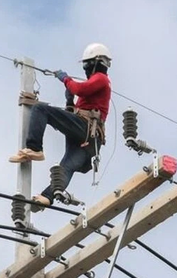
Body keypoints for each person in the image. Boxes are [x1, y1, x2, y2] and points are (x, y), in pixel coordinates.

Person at [8, 43, 112, 207]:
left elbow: (79, 89)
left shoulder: (101, 78)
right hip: (89, 139)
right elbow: (76, 106)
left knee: (41, 110)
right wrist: (70, 100)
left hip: (86, 129)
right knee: (67, 166)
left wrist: (65, 79)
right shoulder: (96, 86)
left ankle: (34, 148)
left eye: (86, 64)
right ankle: (47, 197)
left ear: (95, 63)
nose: (85, 68)